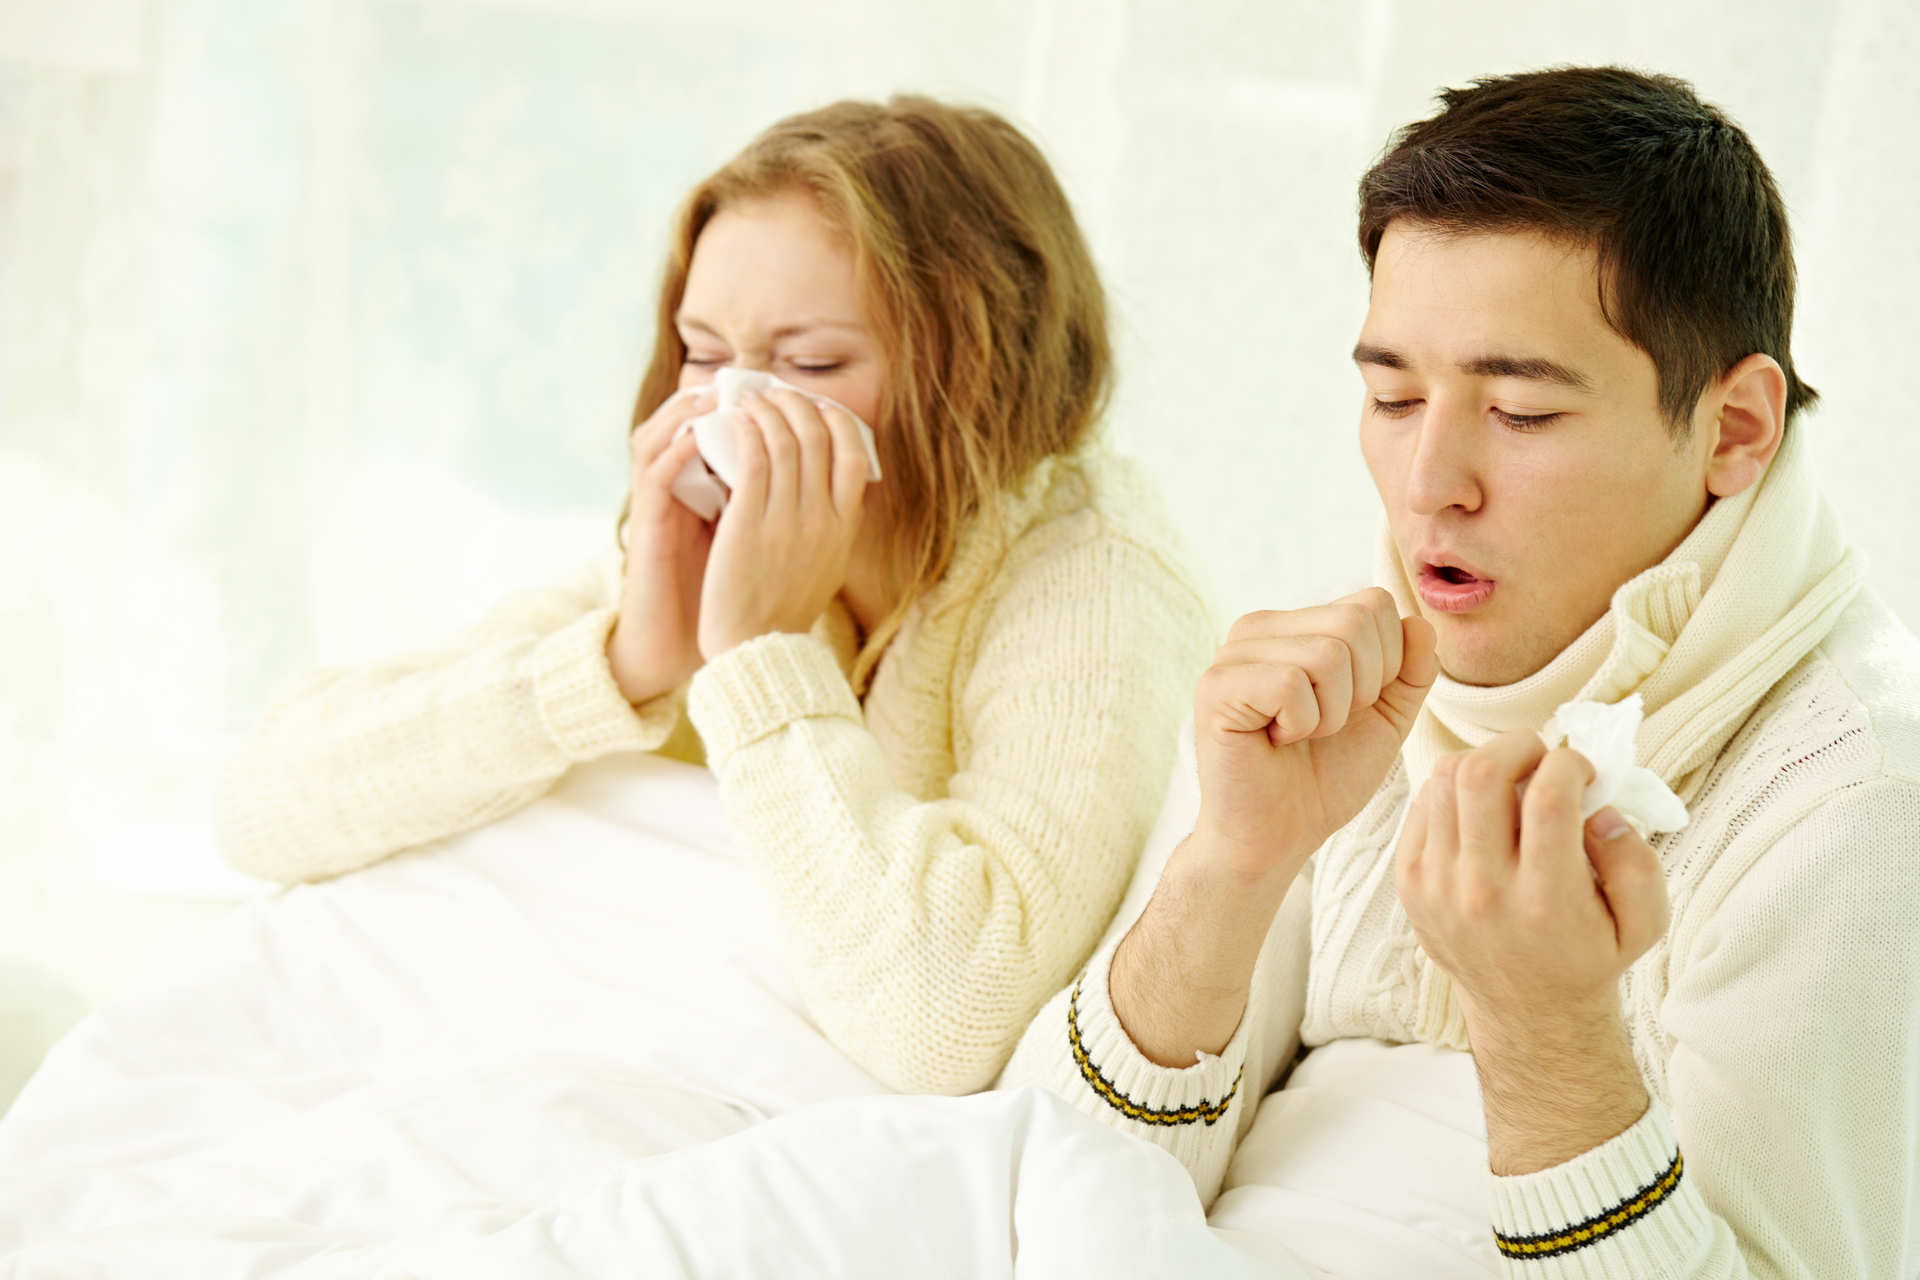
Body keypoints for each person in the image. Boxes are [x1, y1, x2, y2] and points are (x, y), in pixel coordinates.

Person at [1002, 67, 1920, 1276]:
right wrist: (1229, 865)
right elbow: (1035, 1183)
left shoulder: (1854, 798)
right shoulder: (1360, 666)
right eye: (1392, 396)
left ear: (1735, 428)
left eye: (1521, 412)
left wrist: (1546, 1029)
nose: (1428, 484)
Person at [215, 97, 1217, 1097]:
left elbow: (949, 1022)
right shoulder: (711, 535)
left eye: (811, 363)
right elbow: (262, 809)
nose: (731, 412)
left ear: (983, 373)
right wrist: (621, 665)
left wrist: (758, 654)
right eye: (701, 354)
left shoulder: (1095, 581)